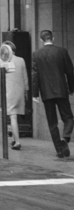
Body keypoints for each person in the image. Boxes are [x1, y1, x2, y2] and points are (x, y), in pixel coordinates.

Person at [31, 29, 74, 159]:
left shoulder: (36, 54)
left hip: (46, 92)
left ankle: (59, 150)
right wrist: (71, 88)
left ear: (41, 40)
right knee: (68, 117)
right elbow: (70, 72)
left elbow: (35, 75)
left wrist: (35, 94)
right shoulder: (62, 51)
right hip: (61, 90)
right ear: (53, 38)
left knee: (52, 122)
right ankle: (65, 137)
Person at [0, 41, 28, 150]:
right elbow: (25, 77)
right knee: (15, 116)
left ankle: (17, 142)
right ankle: (14, 139)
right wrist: (26, 91)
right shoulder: (21, 60)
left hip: (8, 92)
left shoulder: (1, 61)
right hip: (19, 91)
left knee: (12, 117)